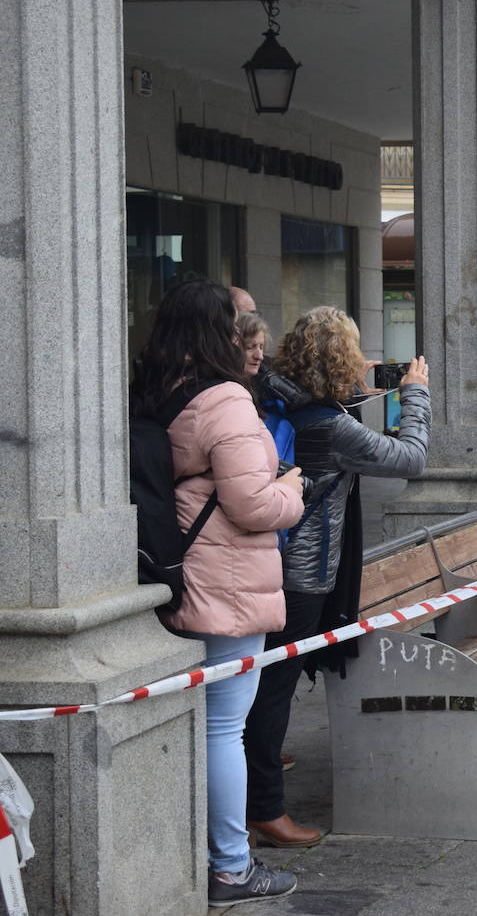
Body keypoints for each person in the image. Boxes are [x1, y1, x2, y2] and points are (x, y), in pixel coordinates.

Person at [130, 278, 305, 904]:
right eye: (237, 325)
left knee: (204, 719)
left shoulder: (158, 388)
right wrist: (294, 489)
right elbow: (252, 504)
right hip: (227, 578)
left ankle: (207, 851)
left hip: (183, 569)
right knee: (225, 725)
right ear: (216, 333)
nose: (244, 337)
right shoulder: (225, 399)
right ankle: (231, 865)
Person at [243, 307, 431, 849]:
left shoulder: (275, 394)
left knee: (262, 684)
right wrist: (412, 392)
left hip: (264, 560)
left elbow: (321, 414)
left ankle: (256, 786)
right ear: (340, 361)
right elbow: (410, 457)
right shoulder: (331, 426)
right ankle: (265, 808)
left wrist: (352, 387)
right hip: (300, 573)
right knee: (274, 687)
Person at [236, 310, 269, 378]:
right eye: (250, 347)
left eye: (261, 347)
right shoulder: (219, 385)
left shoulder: (267, 383)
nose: (260, 356)